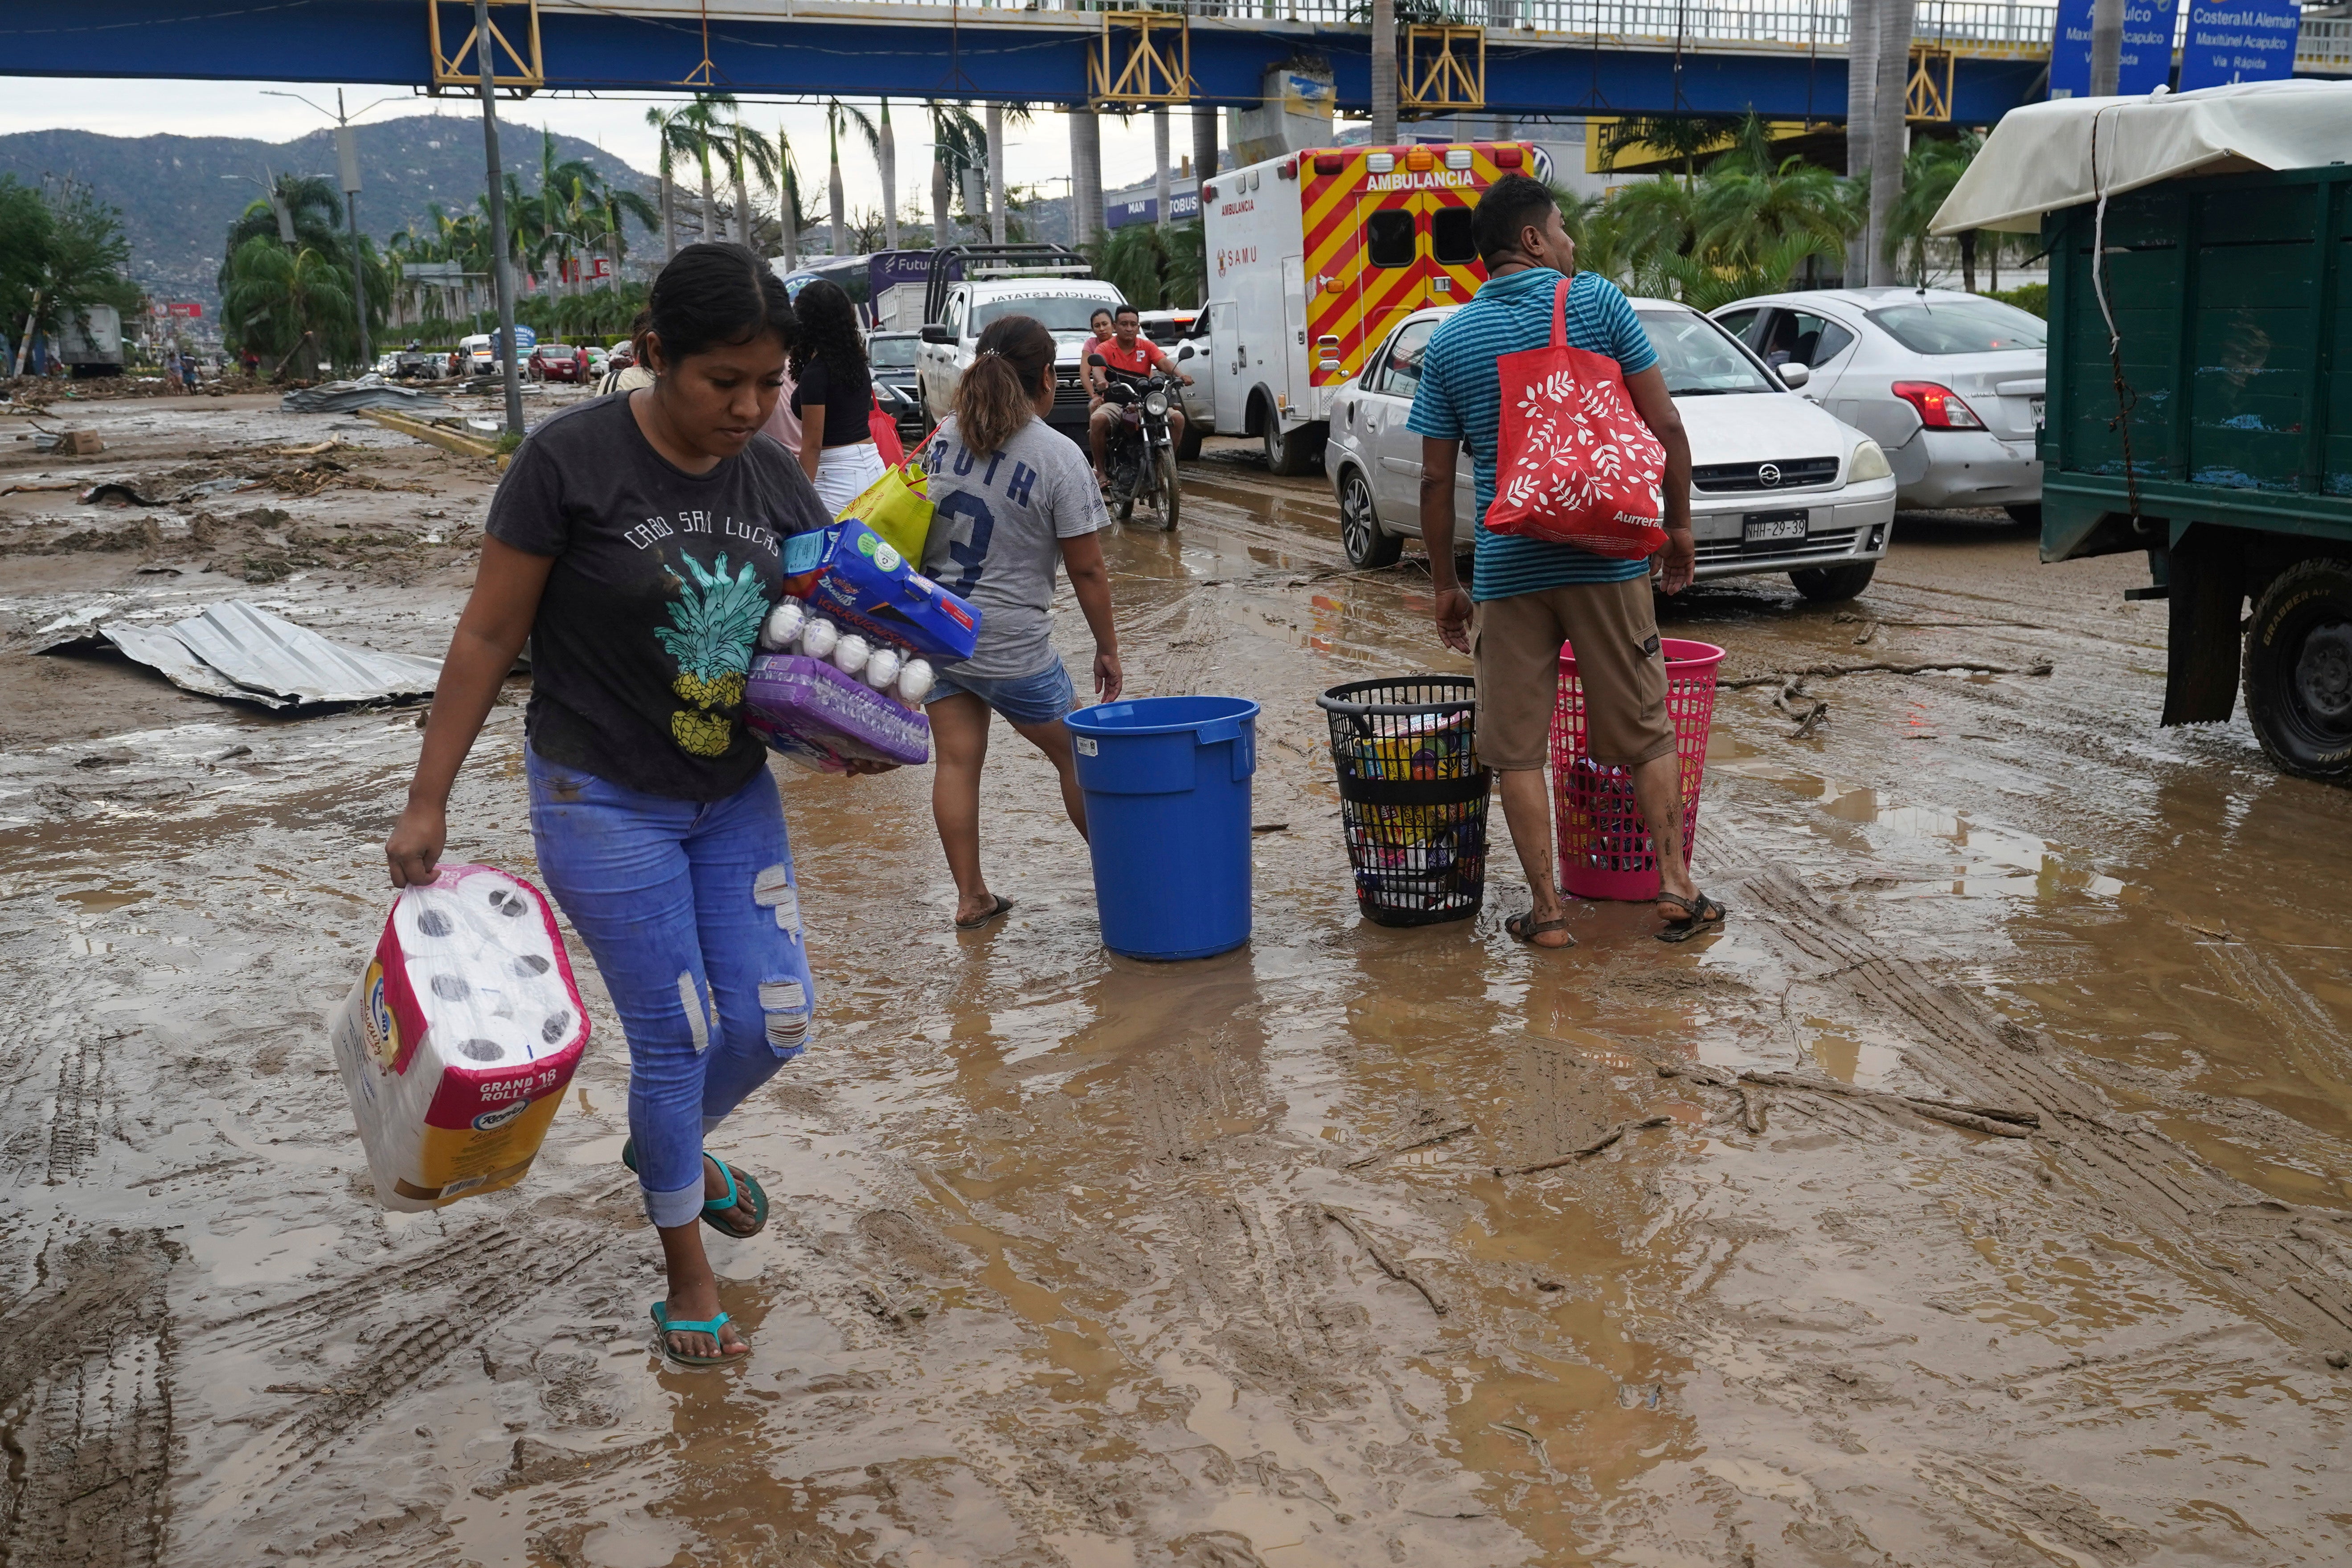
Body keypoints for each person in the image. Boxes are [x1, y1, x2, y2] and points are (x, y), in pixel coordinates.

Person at [383, 242, 839, 1367]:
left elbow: (812, 644)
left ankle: (665, 1151)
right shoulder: (566, 463)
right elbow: (489, 633)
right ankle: (688, 1271)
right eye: (721, 382)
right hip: (600, 794)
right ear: (652, 357)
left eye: (768, 384)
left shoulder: (773, 477)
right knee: (678, 1034)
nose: (747, 408)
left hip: (731, 792)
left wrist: (848, 735)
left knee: (777, 1016)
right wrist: (425, 798)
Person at [1405, 174, 1725, 948]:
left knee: (1516, 745)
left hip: (1509, 566)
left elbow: (1434, 477)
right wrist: (1676, 527)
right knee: (1646, 728)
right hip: (1607, 557)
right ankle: (1675, 888)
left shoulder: (1446, 342)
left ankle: (1546, 911)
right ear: (1532, 240)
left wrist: (1447, 584)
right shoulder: (1597, 303)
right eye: (1562, 230)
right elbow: (1666, 424)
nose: (1571, 244)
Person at [915, 315, 1123, 929]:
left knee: (955, 762)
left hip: (939, 633)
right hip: (1012, 647)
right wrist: (1108, 647)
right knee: (1081, 759)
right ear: (1043, 377)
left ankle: (971, 896)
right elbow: (1087, 572)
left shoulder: (943, 435)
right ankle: (1129, 875)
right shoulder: (1059, 455)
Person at [787, 279, 882, 516]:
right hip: (875, 468)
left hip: (836, 479)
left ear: (805, 322)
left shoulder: (816, 373)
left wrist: (799, 502)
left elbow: (812, 445)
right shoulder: (856, 363)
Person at [1086, 304, 1192, 488]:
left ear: (1138, 326)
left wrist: (1181, 375)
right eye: (1124, 324)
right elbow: (1097, 370)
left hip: (1146, 402)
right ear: (1116, 326)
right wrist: (1102, 381)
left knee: (1178, 419)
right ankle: (1102, 473)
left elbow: (1164, 363)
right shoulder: (1105, 348)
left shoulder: (1147, 346)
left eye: (1133, 324)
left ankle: (1165, 466)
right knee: (1098, 420)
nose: (1129, 328)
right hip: (1117, 402)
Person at [1080, 306, 1115, 402]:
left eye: (1105, 324)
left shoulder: (1121, 342)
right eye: (1097, 326)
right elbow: (1084, 374)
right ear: (1093, 330)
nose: (1102, 329)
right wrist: (1094, 396)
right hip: (1101, 391)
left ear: (1113, 326)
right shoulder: (1090, 344)